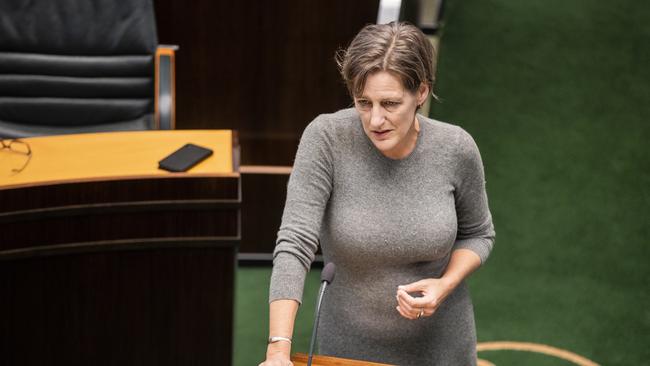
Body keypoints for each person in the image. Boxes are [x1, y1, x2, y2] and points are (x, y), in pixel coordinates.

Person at [260, 21, 495, 366]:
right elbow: (295, 243)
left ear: (421, 93)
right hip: (346, 350)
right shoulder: (326, 139)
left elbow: (479, 234)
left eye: (390, 103)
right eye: (363, 103)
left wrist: (446, 284)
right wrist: (278, 349)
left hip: (441, 348)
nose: (375, 120)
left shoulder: (456, 147)